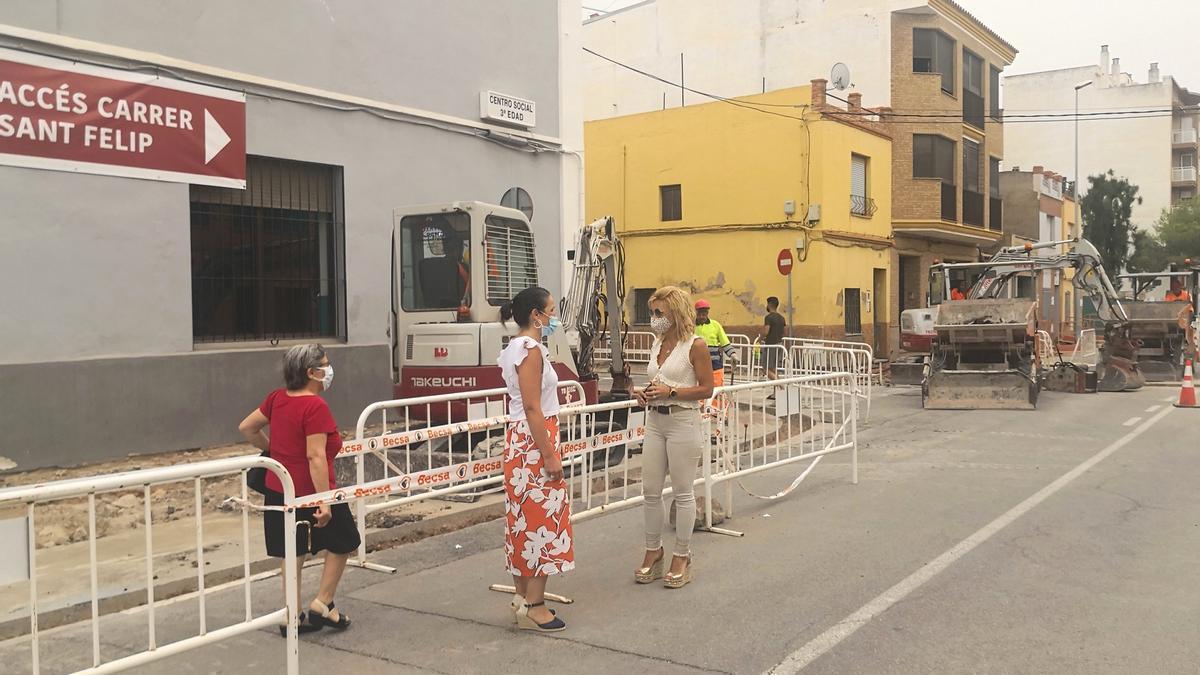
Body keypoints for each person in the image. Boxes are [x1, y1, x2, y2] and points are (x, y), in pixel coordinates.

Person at [238, 344, 357, 636]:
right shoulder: (314, 406)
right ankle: (323, 603)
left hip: (279, 489)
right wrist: (324, 502)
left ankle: (290, 614)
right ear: (311, 373)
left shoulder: (277, 399)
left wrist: (273, 450)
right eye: (325, 366)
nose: (329, 371)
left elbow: (247, 427)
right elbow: (315, 456)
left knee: (292, 552)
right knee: (344, 541)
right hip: (312, 489)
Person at [498, 287, 573, 632]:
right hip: (533, 442)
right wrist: (549, 454)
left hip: (522, 441)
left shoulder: (517, 348)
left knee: (522, 521)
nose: (553, 317)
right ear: (535, 314)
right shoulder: (529, 350)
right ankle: (536, 604)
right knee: (541, 522)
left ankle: (522, 596)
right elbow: (532, 406)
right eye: (550, 311)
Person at [633, 286, 715, 589]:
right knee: (650, 490)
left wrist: (673, 392)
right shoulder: (656, 344)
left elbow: (707, 389)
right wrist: (644, 393)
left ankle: (682, 554)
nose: (654, 319)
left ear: (676, 313)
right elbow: (656, 379)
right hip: (655, 420)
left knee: (682, 492)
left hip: (683, 421)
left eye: (659, 313)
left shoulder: (696, 345)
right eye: (652, 313)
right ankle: (653, 550)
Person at [693, 299, 737, 387]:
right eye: (699, 314)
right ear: (696, 313)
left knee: (716, 389)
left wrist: (732, 354)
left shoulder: (715, 325)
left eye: (704, 314)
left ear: (707, 313)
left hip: (715, 364)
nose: (701, 316)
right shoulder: (690, 326)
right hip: (697, 364)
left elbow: (725, 342)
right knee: (699, 388)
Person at [762, 296, 787, 381]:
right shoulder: (782, 318)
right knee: (773, 368)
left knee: (766, 369)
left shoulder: (768, 318)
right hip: (779, 344)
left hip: (770, 345)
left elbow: (766, 331)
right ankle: (779, 390)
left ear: (769, 305)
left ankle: (780, 385)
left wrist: (759, 339)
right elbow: (784, 332)